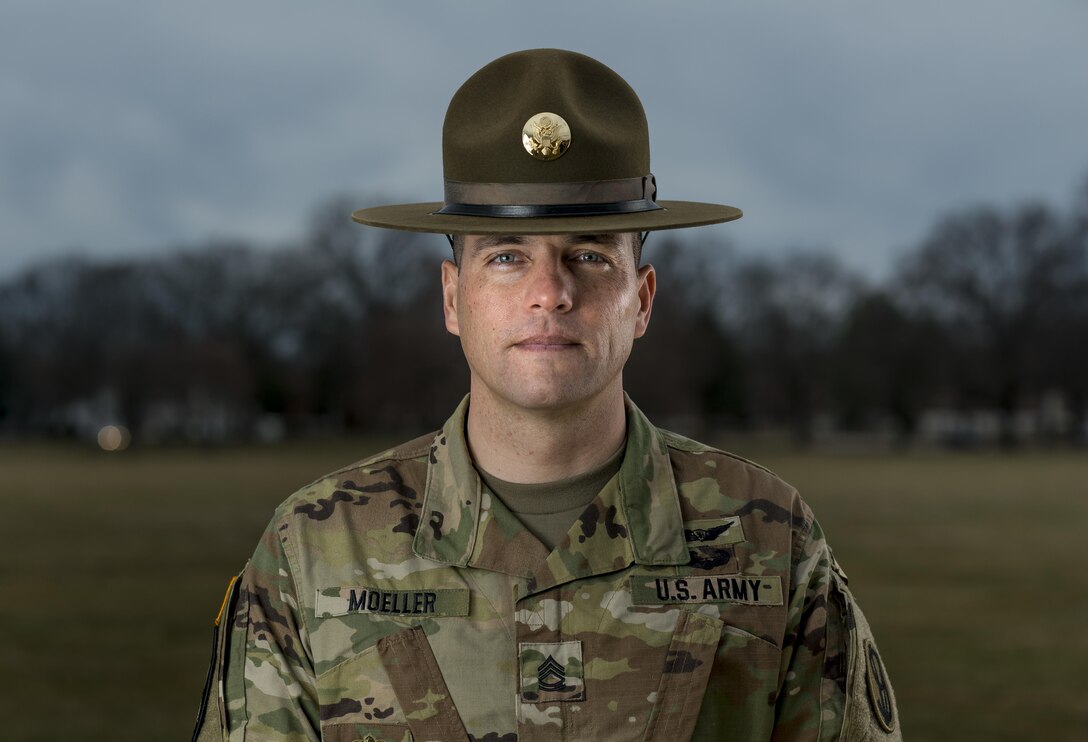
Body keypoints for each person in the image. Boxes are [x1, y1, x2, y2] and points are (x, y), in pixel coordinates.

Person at [192, 48, 901, 741]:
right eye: (506, 258)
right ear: (452, 298)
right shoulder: (317, 544)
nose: (549, 293)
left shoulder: (770, 539)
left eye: (589, 255)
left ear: (643, 299)